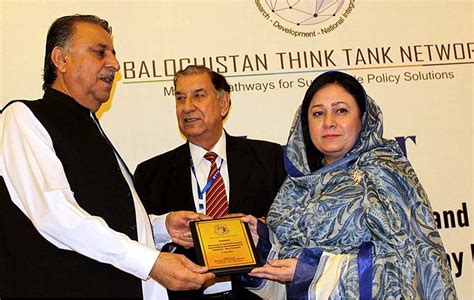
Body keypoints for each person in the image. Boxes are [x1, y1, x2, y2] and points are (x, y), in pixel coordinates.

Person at [0, 15, 214, 298]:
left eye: (113, 54)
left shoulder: (93, 129)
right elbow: (56, 216)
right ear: (60, 59)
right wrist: (151, 263)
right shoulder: (22, 117)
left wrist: (162, 227)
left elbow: (104, 221)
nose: (114, 64)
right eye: (100, 52)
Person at [240, 71, 457, 299]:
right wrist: (260, 242)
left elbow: (409, 266)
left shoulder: (384, 174)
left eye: (341, 111)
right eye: (318, 113)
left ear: (363, 119)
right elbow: (285, 272)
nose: (328, 122)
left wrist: (313, 271)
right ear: (306, 123)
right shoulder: (297, 186)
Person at [134, 65, 287, 299]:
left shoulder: (270, 159)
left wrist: (261, 226)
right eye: (180, 98)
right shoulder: (151, 173)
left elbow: (293, 226)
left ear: (223, 103)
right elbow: (138, 241)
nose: (187, 107)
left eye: (198, 95)